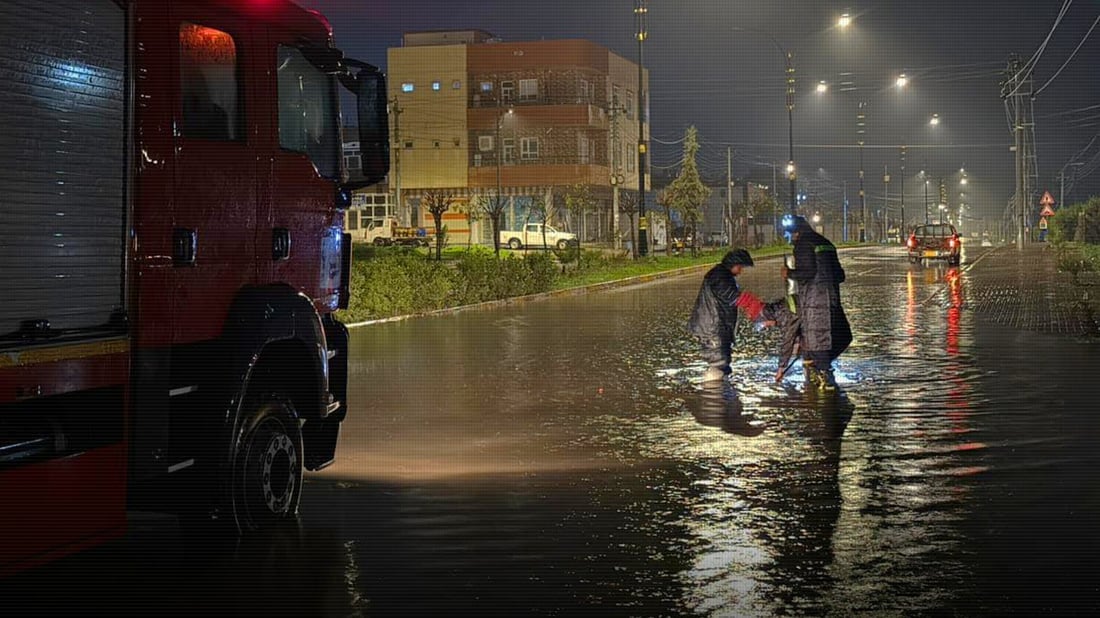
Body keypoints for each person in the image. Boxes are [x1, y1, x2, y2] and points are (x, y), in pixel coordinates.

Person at [780, 215, 852, 390]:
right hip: (833, 299)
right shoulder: (826, 242)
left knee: (816, 338)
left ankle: (823, 372)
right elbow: (840, 275)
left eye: (790, 235)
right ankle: (818, 365)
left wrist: (789, 273)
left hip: (814, 301)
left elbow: (807, 273)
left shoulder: (802, 245)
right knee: (842, 335)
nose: (790, 239)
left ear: (796, 233)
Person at [688, 249, 763, 382]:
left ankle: (721, 395)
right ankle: (714, 396)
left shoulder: (721, 275)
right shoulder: (720, 276)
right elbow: (731, 296)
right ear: (733, 264)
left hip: (715, 326)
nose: (741, 271)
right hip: (712, 328)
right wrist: (753, 305)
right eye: (740, 267)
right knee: (719, 362)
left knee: (722, 361)